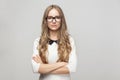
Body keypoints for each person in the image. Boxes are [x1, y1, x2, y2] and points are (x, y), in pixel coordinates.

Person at [31, 4, 77, 80]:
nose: (54, 21)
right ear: (45, 20)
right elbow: (36, 68)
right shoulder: (38, 41)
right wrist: (62, 64)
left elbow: (72, 68)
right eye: (50, 18)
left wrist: (44, 66)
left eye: (57, 17)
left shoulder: (69, 40)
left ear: (62, 20)